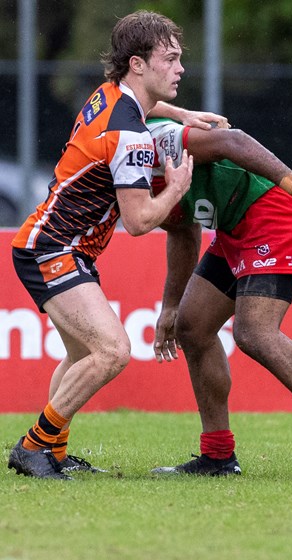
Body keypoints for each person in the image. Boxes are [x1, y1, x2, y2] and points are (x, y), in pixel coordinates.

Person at [6, 11, 226, 480]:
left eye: (180, 58)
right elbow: (141, 220)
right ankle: (34, 447)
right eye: (170, 58)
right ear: (137, 64)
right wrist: (178, 187)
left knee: (83, 355)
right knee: (112, 351)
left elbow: (144, 109)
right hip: (53, 248)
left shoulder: (112, 97)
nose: (180, 68)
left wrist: (183, 113)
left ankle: (55, 452)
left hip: (53, 244)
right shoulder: (130, 135)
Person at [145, 117, 292, 480]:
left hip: (274, 214)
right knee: (192, 327)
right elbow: (183, 228)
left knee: (254, 332)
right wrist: (171, 304)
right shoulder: (122, 168)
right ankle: (218, 456)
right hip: (234, 227)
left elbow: (233, 140)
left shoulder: (152, 142)